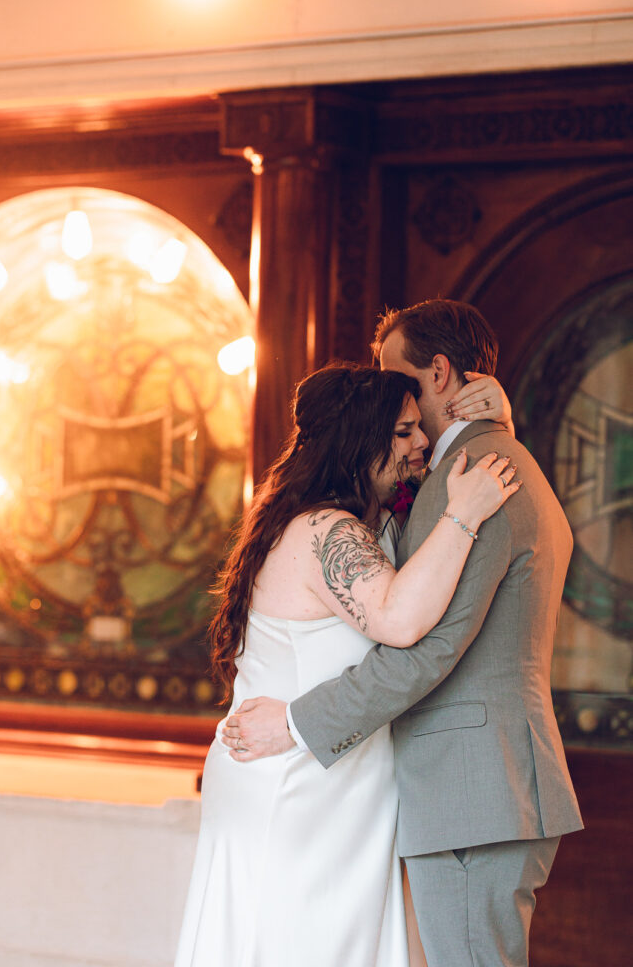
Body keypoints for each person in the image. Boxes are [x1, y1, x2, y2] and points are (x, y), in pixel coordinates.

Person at [222, 300, 584, 967]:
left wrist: (297, 723)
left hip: (475, 791)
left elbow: (424, 650)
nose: (386, 391)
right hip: (468, 790)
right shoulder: (480, 464)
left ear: (438, 373)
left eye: (398, 377)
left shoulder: (477, 478)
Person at [175, 362, 519, 967]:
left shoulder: (353, 522)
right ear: (363, 439)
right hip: (294, 787)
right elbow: (399, 619)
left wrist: (501, 424)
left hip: (329, 780)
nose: (421, 444)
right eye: (404, 432)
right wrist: (464, 514)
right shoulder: (323, 528)